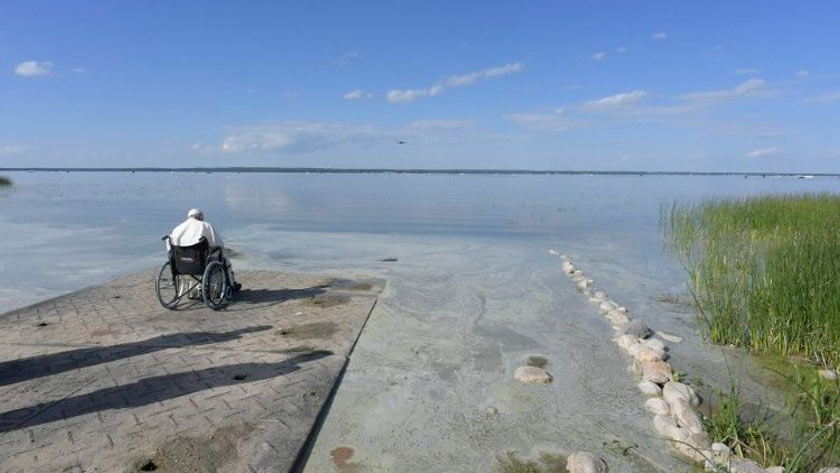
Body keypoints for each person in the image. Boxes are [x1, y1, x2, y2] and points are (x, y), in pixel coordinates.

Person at [168, 208, 242, 293]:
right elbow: (218, 244)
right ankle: (231, 285)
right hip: (200, 263)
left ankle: (195, 289)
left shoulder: (178, 228)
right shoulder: (205, 226)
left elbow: (170, 247)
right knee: (224, 260)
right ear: (200, 216)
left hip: (181, 265)